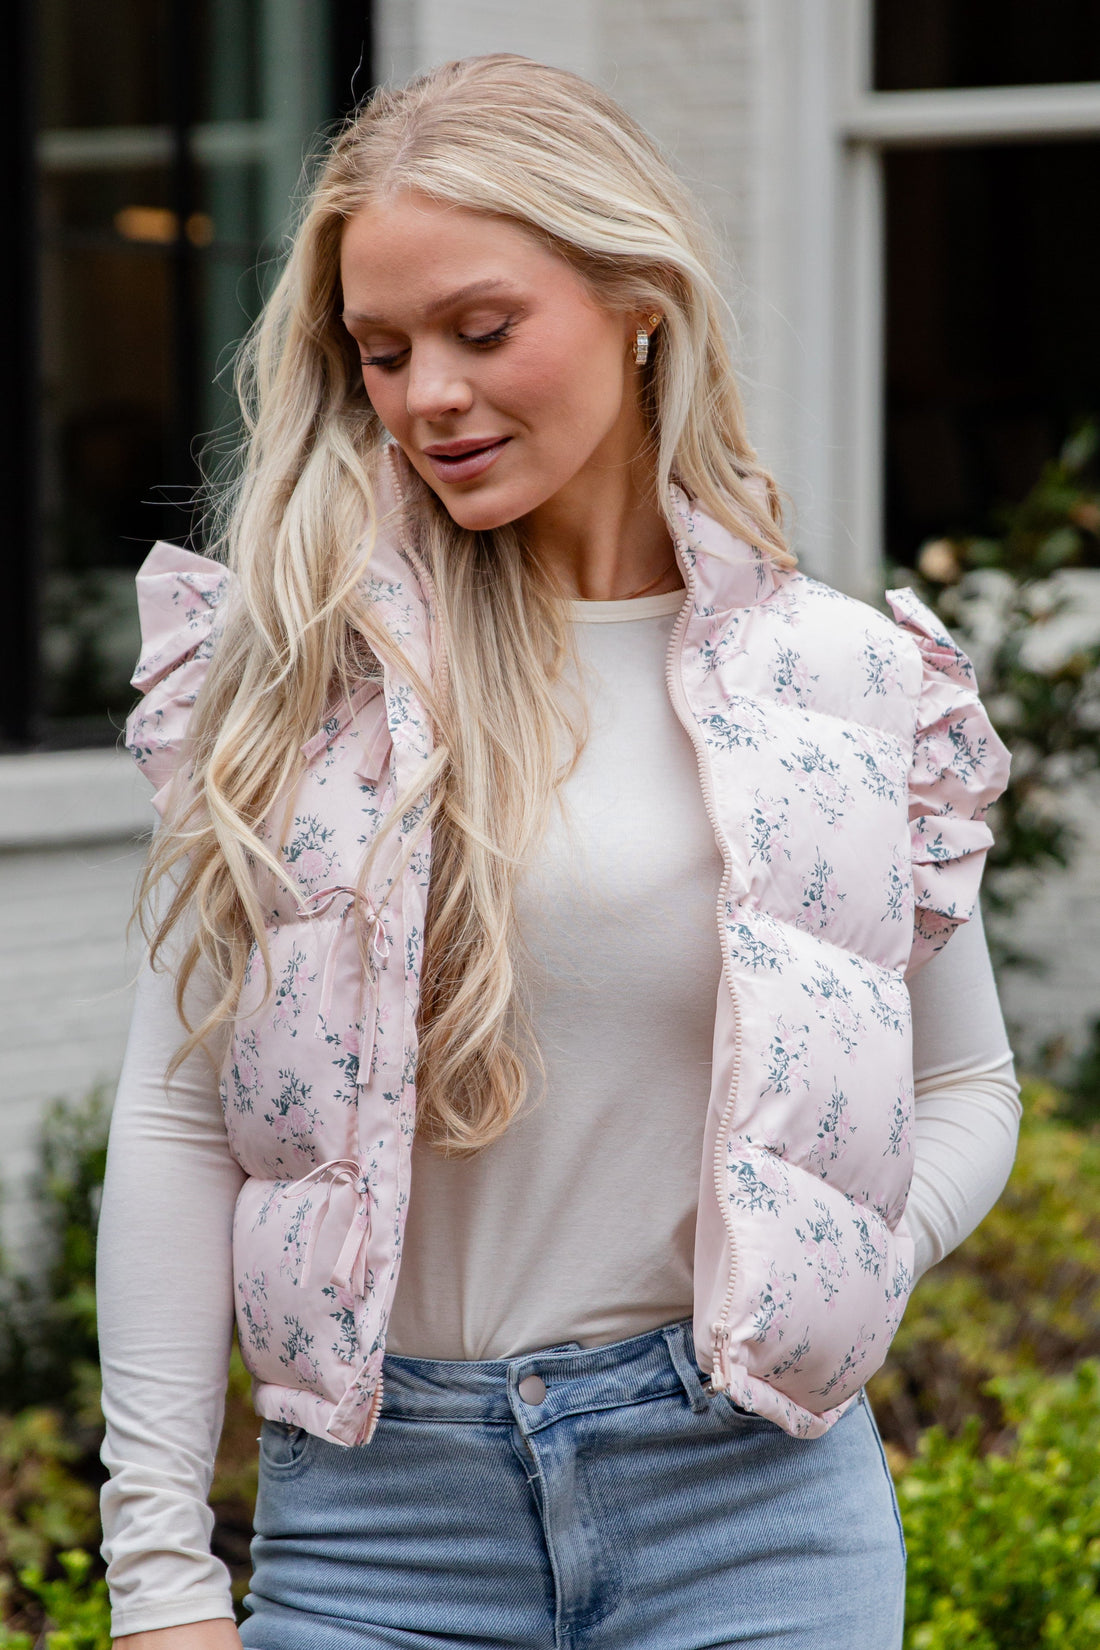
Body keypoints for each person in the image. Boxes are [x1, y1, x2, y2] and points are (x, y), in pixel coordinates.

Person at [97, 53, 1021, 1650]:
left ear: (636, 296)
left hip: (755, 1510)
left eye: (481, 329)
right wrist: (161, 1579)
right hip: (382, 1525)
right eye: (380, 352)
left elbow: (965, 1088)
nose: (427, 395)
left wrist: (838, 1250)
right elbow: (182, 1118)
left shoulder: (848, 681)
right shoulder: (295, 679)